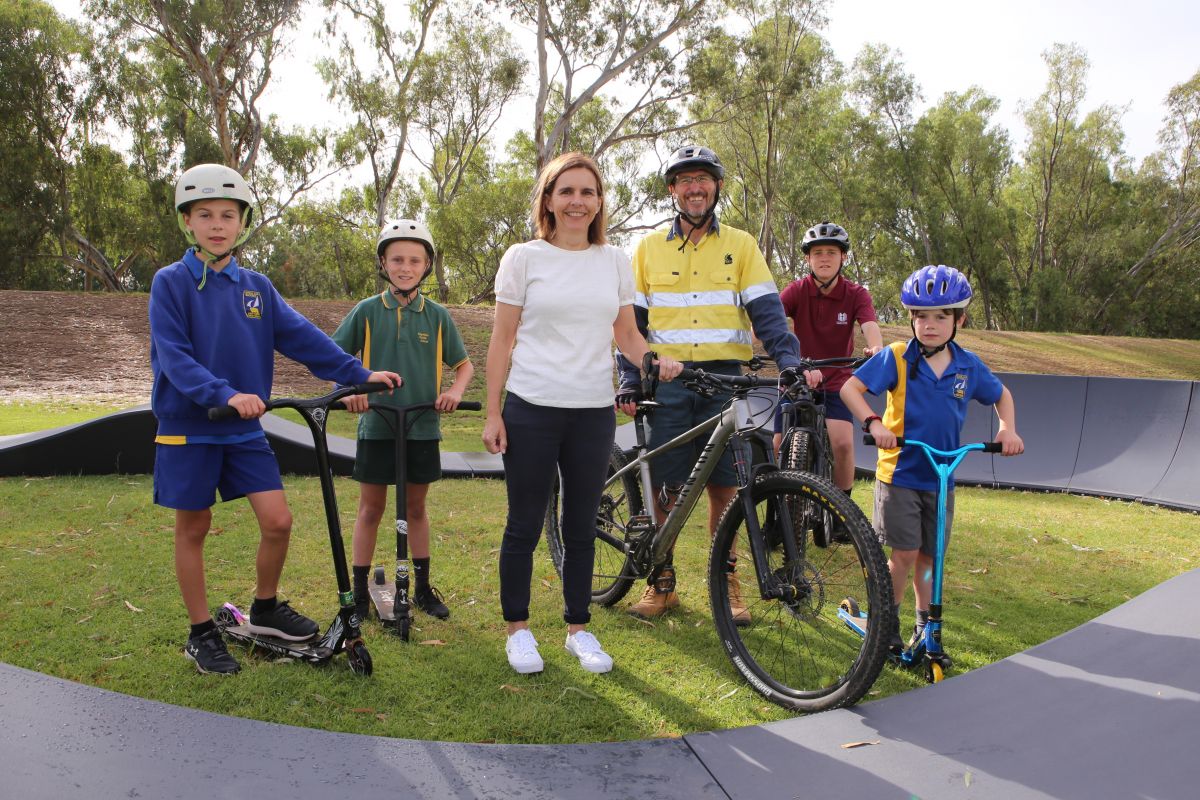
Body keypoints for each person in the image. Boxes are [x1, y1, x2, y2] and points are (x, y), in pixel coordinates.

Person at [150, 163, 401, 675]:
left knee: (279, 520)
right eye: (204, 215)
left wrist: (359, 373)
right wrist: (224, 393)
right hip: (190, 426)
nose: (217, 224)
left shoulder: (256, 288)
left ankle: (264, 608)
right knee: (194, 525)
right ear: (187, 223)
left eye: (228, 214)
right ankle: (201, 633)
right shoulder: (170, 283)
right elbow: (174, 358)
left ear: (242, 221)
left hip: (243, 428)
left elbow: (303, 338)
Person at [482, 152, 682, 675]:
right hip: (530, 408)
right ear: (548, 200)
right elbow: (501, 341)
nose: (577, 201)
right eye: (566, 191)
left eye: (587, 192)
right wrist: (492, 413)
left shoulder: (614, 260)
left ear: (599, 203)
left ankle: (577, 629)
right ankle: (519, 631)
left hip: (592, 412)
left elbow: (627, 335)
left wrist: (655, 360)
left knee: (580, 526)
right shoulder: (523, 258)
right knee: (524, 524)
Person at [615, 144, 806, 624]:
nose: (694, 187)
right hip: (667, 381)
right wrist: (628, 377)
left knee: (726, 485)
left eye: (703, 178)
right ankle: (662, 582)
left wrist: (789, 362)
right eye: (685, 180)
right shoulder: (647, 249)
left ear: (716, 186)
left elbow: (767, 313)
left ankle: (726, 578)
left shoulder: (740, 245)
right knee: (668, 484)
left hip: (725, 379)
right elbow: (631, 322)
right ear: (672, 190)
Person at [840, 264, 1024, 652]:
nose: (930, 324)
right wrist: (874, 423)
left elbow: (1001, 395)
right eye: (921, 316)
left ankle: (924, 627)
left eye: (941, 316)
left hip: (941, 477)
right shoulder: (897, 357)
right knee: (904, 553)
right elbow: (851, 390)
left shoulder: (967, 365)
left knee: (930, 556)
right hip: (900, 473)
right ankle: (885, 624)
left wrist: (1007, 428)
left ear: (959, 319)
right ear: (910, 319)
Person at [333, 220, 474, 623]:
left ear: (427, 265)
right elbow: (333, 359)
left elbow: (463, 367)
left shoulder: (438, 316)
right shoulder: (366, 311)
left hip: (422, 426)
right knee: (370, 509)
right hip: (377, 426)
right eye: (397, 259)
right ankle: (359, 594)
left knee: (416, 508)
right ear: (383, 262)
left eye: (415, 260)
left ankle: (423, 587)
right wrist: (351, 389)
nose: (405, 267)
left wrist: (454, 393)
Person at [777, 221, 883, 514]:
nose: (824, 258)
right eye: (818, 252)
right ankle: (777, 514)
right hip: (797, 378)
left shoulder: (856, 294)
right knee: (776, 444)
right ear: (808, 258)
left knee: (843, 444)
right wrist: (746, 341)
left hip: (837, 380)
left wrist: (876, 348)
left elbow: (870, 324)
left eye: (831, 252)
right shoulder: (797, 291)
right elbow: (769, 320)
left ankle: (842, 513)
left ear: (843, 257)